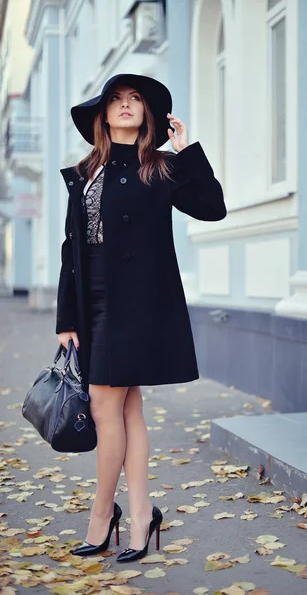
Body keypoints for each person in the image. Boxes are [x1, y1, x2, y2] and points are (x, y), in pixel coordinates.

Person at [55, 74, 226, 563]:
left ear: (148, 115)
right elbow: (73, 249)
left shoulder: (163, 167)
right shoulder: (84, 171)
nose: (126, 106)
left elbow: (213, 209)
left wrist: (188, 150)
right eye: (116, 99)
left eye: (135, 100)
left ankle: (102, 516)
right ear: (102, 115)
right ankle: (141, 516)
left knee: (107, 408)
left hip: (139, 305)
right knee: (127, 411)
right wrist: (67, 316)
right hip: (93, 305)